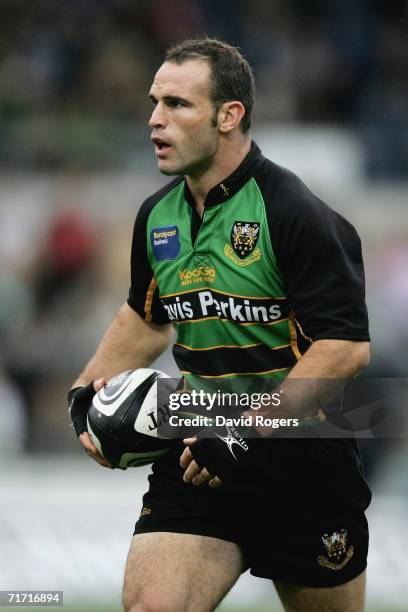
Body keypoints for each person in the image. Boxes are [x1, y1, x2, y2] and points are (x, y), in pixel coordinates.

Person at [68, 38, 372, 612]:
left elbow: (345, 348)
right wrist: (86, 392)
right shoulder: (157, 216)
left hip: (303, 458)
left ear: (229, 115)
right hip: (194, 448)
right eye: (154, 103)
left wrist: (245, 431)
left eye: (177, 105)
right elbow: (147, 316)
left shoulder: (296, 215)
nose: (155, 120)